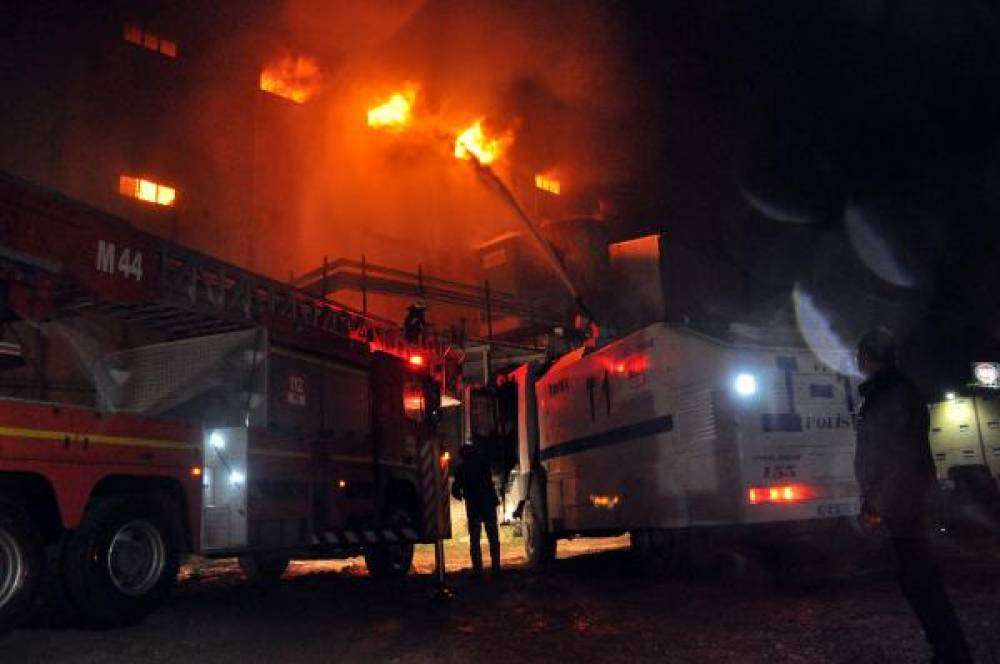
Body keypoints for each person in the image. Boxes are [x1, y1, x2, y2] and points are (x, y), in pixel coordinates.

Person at [854, 328, 973, 663]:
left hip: (904, 505)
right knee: (917, 581)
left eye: (860, 354)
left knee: (922, 582)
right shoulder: (889, 392)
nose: (857, 361)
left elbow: (900, 456)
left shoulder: (892, 394)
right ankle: (948, 651)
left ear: (868, 356)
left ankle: (952, 653)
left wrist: (877, 502)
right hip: (903, 502)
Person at [451, 443, 501, 574]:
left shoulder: (461, 468)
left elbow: (455, 490)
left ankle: (478, 568)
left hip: (474, 505)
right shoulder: (483, 463)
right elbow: (489, 480)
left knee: (475, 538)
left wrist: (462, 495)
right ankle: (496, 567)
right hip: (488, 503)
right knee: (493, 536)